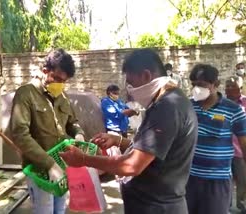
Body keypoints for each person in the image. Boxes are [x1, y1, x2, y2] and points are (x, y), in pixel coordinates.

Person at [60, 48, 198, 214]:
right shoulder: (169, 101)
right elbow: (153, 151)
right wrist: (119, 140)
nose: (130, 90)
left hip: (157, 207)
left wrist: (83, 159)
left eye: (131, 83)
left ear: (146, 76)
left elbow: (132, 165)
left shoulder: (167, 107)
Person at [9, 49, 85, 214]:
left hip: (62, 166)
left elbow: (73, 122)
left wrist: (79, 134)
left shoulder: (62, 96)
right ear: (45, 71)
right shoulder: (26, 94)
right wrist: (49, 165)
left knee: (59, 210)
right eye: (56, 78)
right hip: (39, 170)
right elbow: (20, 135)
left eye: (64, 81)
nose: (60, 84)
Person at [186, 64, 246, 214]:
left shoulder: (234, 110)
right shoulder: (187, 106)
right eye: (193, 84)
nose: (196, 89)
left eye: (201, 84)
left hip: (217, 180)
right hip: (189, 178)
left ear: (216, 85)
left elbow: (244, 143)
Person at [225, 76, 246, 211]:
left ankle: (242, 204)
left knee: (243, 180)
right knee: (225, 181)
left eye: (233, 86)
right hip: (224, 150)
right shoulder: (220, 103)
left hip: (240, 149)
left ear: (240, 88)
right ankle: (224, 206)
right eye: (228, 86)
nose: (230, 88)